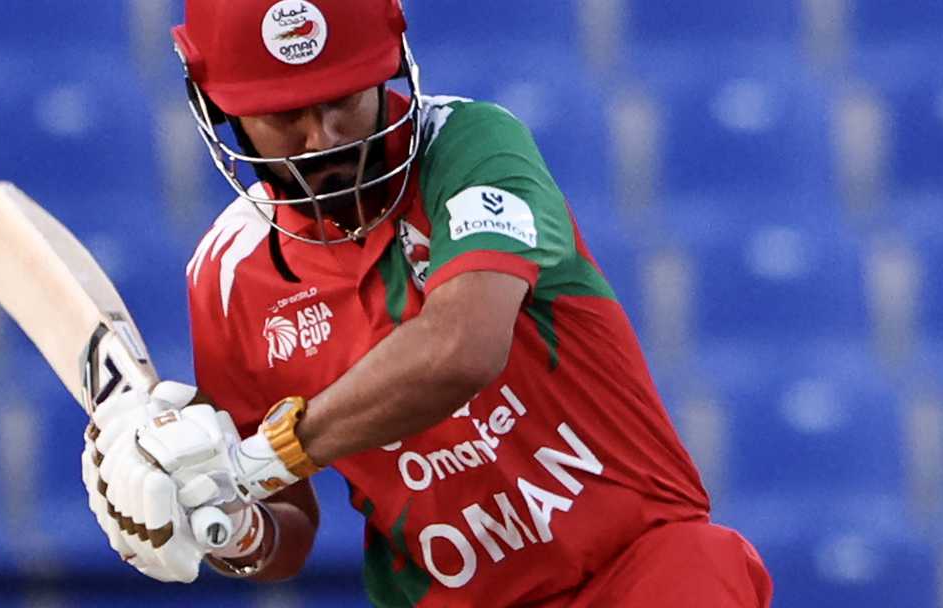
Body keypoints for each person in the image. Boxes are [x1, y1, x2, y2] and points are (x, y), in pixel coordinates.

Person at [79, 0, 774, 605]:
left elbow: (461, 348)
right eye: (286, 114)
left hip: (640, 568)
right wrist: (231, 527)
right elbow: (287, 528)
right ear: (219, 108)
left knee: (703, 561)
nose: (324, 138)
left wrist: (264, 457)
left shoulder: (470, 145)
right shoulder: (226, 275)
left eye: (344, 98)